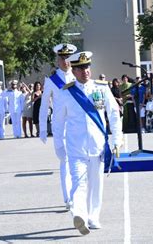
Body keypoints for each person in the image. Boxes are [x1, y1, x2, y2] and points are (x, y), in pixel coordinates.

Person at [55, 51, 122, 235]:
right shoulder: (66, 93)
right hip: (75, 146)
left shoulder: (101, 88)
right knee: (79, 182)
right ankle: (79, 215)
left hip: (97, 145)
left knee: (96, 182)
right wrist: (58, 145)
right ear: (73, 71)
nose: (85, 71)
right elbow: (58, 121)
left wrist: (117, 139)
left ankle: (93, 216)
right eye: (80, 68)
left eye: (87, 67)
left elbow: (114, 113)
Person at [39, 43, 77, 210]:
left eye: (68, 57)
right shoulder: (51, 80)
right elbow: (44, 105)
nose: (65, 61)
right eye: (62, 58)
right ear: (57, 59)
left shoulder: (78, 77)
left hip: (77, 126)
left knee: (77, 161)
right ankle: (68, 197)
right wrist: (41, 128)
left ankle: (75, 195)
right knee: (65, 160)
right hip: (60, 126)